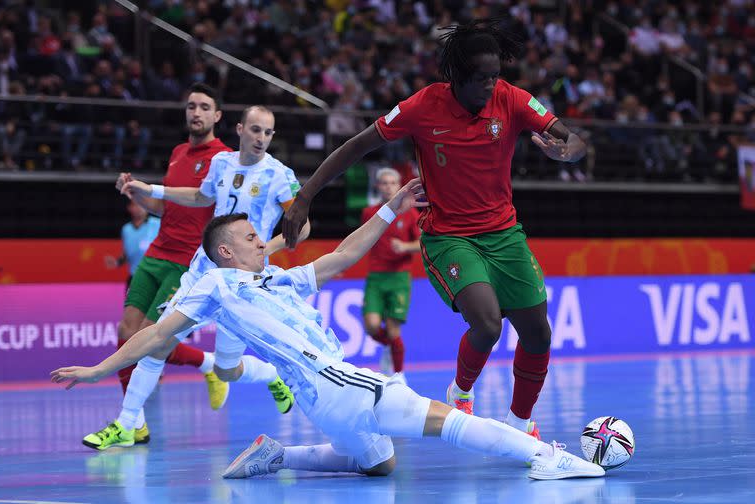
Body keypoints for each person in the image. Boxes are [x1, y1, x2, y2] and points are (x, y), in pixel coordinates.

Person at [51, 179, 604, 481]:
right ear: (225, 251)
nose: (257, 240)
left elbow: (342, 255)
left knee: (380, 465)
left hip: (322, 404)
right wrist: (100, 369)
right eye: (248, 237)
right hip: (337, 381)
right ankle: (544, 457)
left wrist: (389, 209)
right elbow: (155, 335)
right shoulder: (214, 287)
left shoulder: (278, 279)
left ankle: (280, 455)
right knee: (448, 421)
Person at [282, 19, 587, 436]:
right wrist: (305, 195)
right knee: (487, 323)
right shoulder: (422, 107)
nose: (490, 85)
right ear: (458, 77)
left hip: (505, 234)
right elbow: (357, 144)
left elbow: (570, 137)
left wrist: (568, 153)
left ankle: (519, 423)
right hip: (450, 238)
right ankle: (461, 391)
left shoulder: (511, 99)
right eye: (481, 79)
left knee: (538, 335)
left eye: (495, 77)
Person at [82, 105, 310, 450]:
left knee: (227, 371)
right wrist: (152, 191)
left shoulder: (280, 174)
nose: (261, 138)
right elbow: (200, 196)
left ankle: (271, 375)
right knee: (157, 343)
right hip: (202, 273)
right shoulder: (221, 163)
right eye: (256, 130)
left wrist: (264, 250)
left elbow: (302, 227)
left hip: (242, 284)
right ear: (240, 129)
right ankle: (127, 424)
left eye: (268, 132)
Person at [101, 83, 231, 448]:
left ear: (217, 116)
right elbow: (165, 207)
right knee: (125, 333)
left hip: (186, 262)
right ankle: (136, 424)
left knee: (149, 338)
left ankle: (208, 366)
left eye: (205, 106)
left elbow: (205, 202)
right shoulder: (177, 153)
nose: (196, 112)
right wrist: (137, 192)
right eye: (191, 106)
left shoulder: (223, 158)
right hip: (156, 254)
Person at [361, 168, 421, 378]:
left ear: (399, 186)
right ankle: (391, 348)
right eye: (384, 183)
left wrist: (405, 247)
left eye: (392, 183)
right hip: (376, 277)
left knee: (395, 330)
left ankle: (398, 375)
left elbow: (423, 243)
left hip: (399, 277)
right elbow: (361, 241)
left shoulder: (410, 214)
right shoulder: (369, 213)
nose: (388, 186)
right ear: (378, 187)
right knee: (371, 326)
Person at [104, 200, 161, 289]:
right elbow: (127, 254)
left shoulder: (158, 223)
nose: (139, 208)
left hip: (154, 276)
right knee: (130, 302)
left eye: (142, 205)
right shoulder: (126, 229)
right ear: (129, 208)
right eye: (135, 205)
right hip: (134, 276)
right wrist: (117, 262)